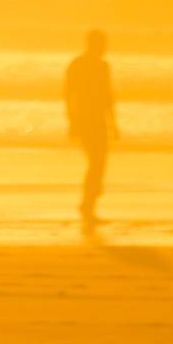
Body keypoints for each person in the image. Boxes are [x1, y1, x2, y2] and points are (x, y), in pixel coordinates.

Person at [64, 28, 119, 226]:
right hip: (85, 120)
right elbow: (69, 95)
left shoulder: (103, 66)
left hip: (98, 121)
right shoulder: (78, 65)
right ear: (91, 44)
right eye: (102, 44)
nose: (105, 48)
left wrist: (113, 124)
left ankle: (89, 203)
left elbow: (108, 96)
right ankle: (87, 204)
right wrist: (71, 121)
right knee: (96, 162)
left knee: (99, 162)